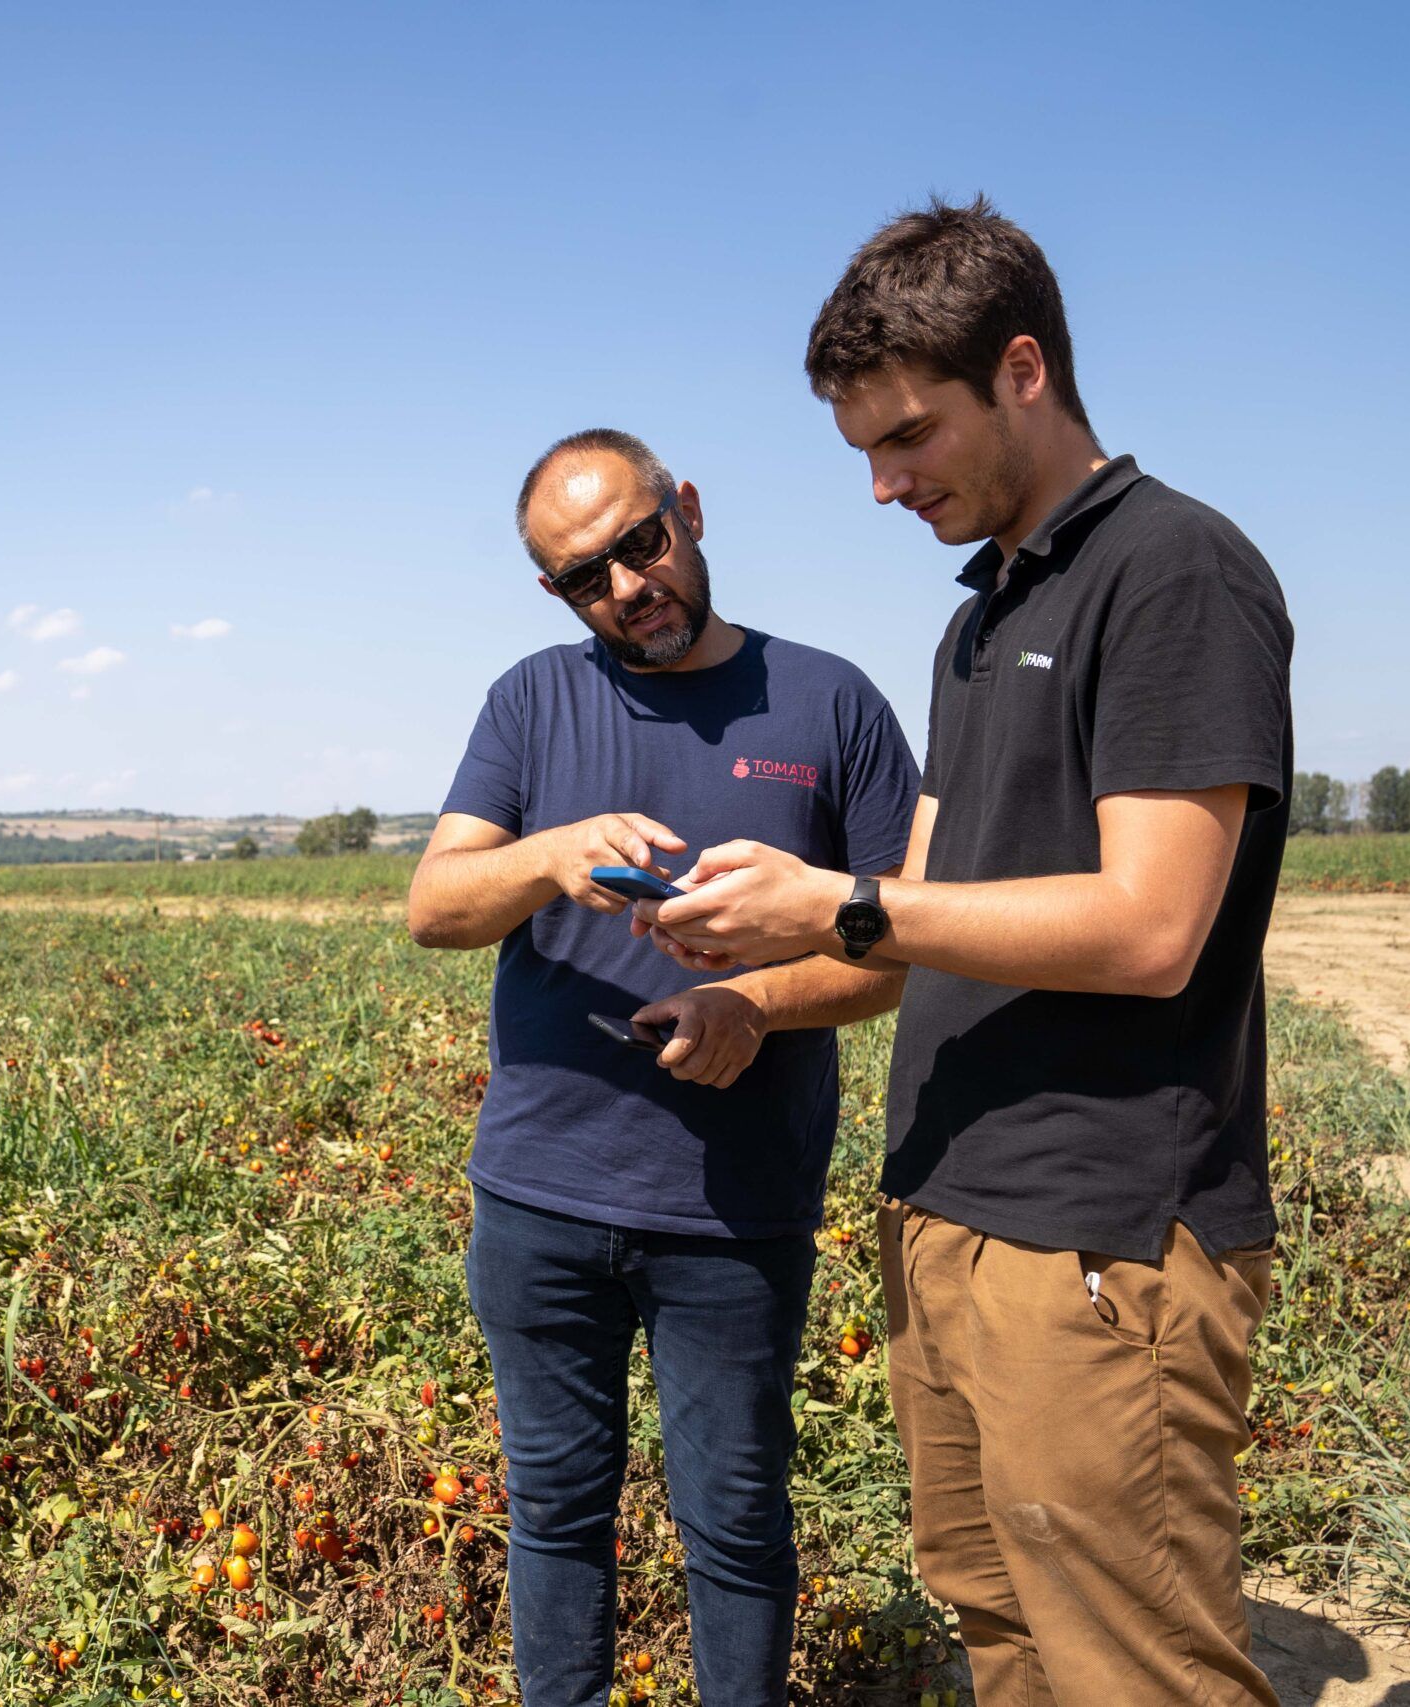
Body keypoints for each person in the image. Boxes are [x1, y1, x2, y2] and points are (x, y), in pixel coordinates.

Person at [634, 198, 1293, 1705]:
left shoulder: (1175, 572)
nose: (881, 485)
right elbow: (922, 899)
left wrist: (846, 903)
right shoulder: (983, 615)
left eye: (908, 437)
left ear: (1022, 371)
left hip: (1099, 1234)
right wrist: (757, 948)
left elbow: (1151, 923)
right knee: (1005, 1632)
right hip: (951, 1210)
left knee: (1135, 1667)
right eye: (864, 449)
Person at [406, 428, 918, 1706]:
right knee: (555, 1518)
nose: (628, 585)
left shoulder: (831, 701)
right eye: (588, 576)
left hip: (733, 1211)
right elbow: (432, 906)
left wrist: (751, 1000)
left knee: (736, 1524)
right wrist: (547, 854)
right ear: (555, 594)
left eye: (642, 543)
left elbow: (901, 949)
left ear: (686, 511)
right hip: (536, 1200)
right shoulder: (533, 698)